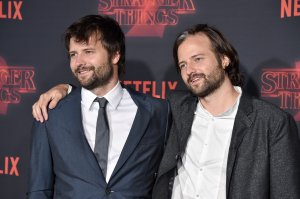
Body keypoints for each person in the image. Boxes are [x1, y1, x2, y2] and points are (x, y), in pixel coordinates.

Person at [32, 24, 300, 199]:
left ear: (224, 58)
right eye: (183, 64)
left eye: (198, 59)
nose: (190, 70)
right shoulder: (176, 109)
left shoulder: (272, 123)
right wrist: (65, 88)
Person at [28, 14, 170, 199]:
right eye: (73, 54)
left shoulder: (158, 112)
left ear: (115, 54)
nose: (79, 63)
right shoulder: (50, 113)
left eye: (88, 51)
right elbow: (39, 190)